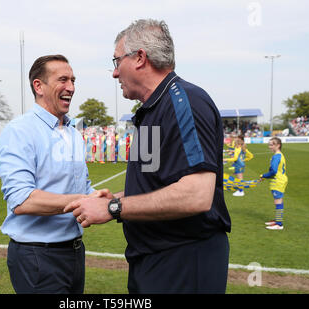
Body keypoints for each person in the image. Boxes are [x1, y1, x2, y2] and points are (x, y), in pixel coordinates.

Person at [64, 19, 231, 294]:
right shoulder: (152, 110)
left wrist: (113, 209)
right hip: (154, 260)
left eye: (117, 61)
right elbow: (158, 185)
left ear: (140, 57)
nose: (114, 73)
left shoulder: (185, 101)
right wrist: (116, 198)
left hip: (183, 262)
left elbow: (197, 195)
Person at [0, 54, 110, 294]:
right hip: (37, 256)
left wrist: (97, 197)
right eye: (63, 80)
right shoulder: (20, 131)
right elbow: (22, 200)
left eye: (73, 80)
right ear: (39, 86)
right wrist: (83, 200)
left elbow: (80, 186)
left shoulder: (72, 132)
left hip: (75, 252)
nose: (71, 87)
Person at [260, 137, 288, 230]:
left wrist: (263, 175)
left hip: (278, 181)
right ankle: (277, 220)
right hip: (280, 180)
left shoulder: (277, 156)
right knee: (278, 200)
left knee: (278, 201)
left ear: (278, 145)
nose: (269, 147)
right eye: (269, 144)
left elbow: (273, 171)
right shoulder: (279, 155)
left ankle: (279, 224)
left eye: (272, 145)